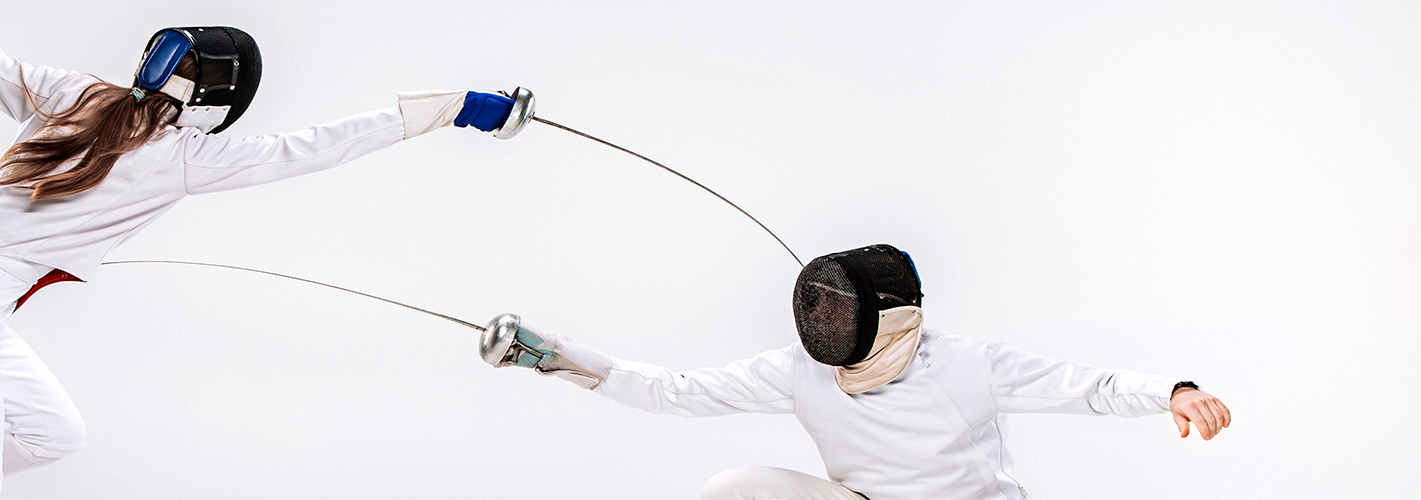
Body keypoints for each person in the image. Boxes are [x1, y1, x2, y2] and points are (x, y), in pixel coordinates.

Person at [0, 1, 534, 499]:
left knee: (53, 435)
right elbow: (313, 148)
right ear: (219, 102)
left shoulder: (75, 94)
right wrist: (452, 109)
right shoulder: (184, 155)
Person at [480, 244, 1232, 500]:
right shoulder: (798, 370)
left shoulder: (967, 364)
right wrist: (554, 357)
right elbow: (676, 394)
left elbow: (1091, 388)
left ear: (893, 316)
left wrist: (1175, 392)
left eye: (840, 312)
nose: (824, 326)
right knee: (733, 490)